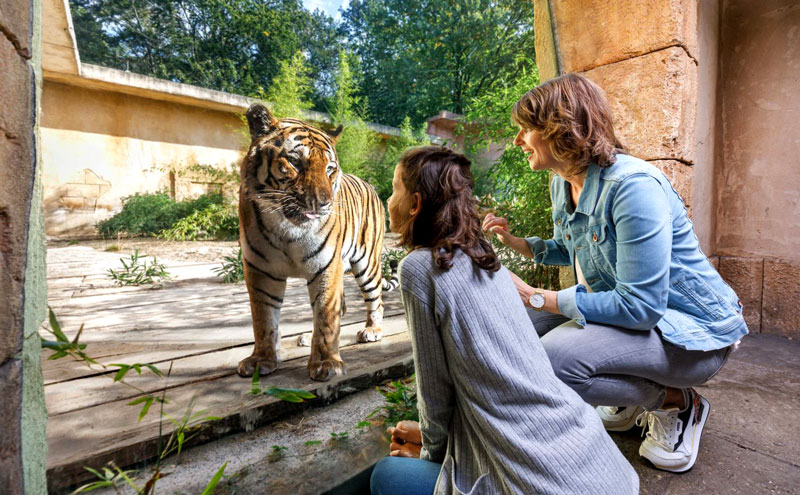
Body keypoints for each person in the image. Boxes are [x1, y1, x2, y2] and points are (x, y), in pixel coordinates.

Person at [482, 73, 748, 473]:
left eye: (526, 129)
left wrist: (539, 297)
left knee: (556, 359)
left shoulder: (632, 186)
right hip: (639, 320)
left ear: (560, 128)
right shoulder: (562, 184)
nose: (518, 140)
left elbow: (641, 307)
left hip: (693, 334)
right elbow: (574, 249)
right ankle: (628, 396)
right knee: (509, 323)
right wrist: (518, 243)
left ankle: (678, 402)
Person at [370, 146, 639, 495]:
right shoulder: (483, 254)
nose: (388, 200)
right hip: (600, 467)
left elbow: (435, 391)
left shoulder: (420, 269)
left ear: (416, 204)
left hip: (544, 483)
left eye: (394, 189)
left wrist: (433, 455)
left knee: (387, 475)